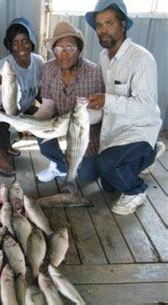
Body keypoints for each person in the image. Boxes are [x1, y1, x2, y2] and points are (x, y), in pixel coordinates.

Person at [85, 0, 164, 215]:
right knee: (109, 184)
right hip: (116, 129)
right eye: (99, 25)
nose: (102, 30)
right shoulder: (103, 57)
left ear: (123, 25)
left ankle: (136, 191)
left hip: (140, 128)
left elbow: (146, 107)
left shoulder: (142, 59)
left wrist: (107, 100)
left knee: (108, 165)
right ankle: (146, 155)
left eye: (109, 23)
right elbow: (107, 104)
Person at [0, 17, 44, 177]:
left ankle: (7, 143)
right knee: (8, 121)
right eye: (15, 42)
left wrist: (47, 108)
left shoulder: (38, 61)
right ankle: (0, 153)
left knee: (40, 118)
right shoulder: (3, 68)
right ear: (10, 45)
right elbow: (4, 107)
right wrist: (2, 85)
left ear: (32, 41)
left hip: (18, 109)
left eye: (24, 40)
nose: (20, 46)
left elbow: (40, 90)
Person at [34, 21, 104, 183]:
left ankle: (83, 163)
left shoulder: (94, 72)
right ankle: (60, 166)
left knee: (86, 177)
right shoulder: (49, 68)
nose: (64, 53)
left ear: (79, 50)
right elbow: (47, 106)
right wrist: (33, 123)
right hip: (58, 124)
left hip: (85, 131)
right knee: (39, 128)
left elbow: (101, 113)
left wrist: (77, 119)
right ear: (54, 51)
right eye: (58, 49)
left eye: (70, 48)